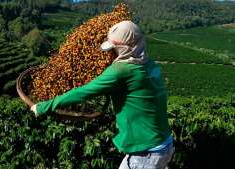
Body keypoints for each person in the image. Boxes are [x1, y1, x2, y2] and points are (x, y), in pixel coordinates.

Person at [30, 20, 174, 169]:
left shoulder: (121, 70)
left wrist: (44, 107)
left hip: (145, 153)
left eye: (115, 49)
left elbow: (83, 92)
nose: (112, 53)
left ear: (124, 48)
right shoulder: (150, 64)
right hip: (164, 143)